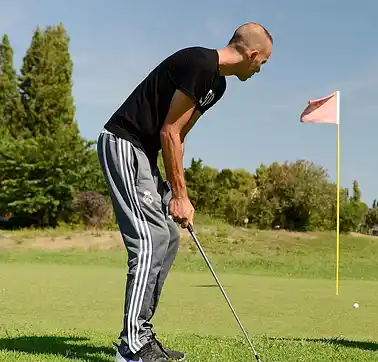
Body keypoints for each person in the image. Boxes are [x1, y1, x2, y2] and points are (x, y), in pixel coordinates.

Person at [97, 22, 273, 362]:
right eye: (262, 62)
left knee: (170, 239)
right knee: (148, 241)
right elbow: (169, 131)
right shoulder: (199, 64)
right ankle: (131, 346)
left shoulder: (217, 85)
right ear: (251, 54)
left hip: (145, 156)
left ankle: (142, 334)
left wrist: (170, 186)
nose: (260, 69)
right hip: (122, 143)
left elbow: (179, 135)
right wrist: (179, 195)